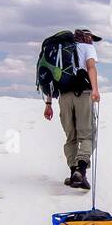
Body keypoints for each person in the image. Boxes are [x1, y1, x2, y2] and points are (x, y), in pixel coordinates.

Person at [43, 28, 101, 189]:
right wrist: (95, 90)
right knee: (87, 135)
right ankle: (81, 171)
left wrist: (48, 103)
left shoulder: (60, 52)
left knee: (71, 137)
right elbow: (90, 68)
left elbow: (52, 79)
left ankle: (73, 173)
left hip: (63, 96)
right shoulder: (87, 47)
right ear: (88, 37)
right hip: (83, 94)